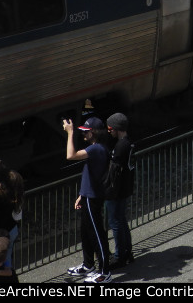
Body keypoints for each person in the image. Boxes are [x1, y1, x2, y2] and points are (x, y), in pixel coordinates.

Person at [64, 116, 111, 283]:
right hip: (87, 196)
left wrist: (70, 133)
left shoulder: (97, 149)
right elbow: (90, 175)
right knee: (86, 232)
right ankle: (88, 264)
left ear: (94, 133)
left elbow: (71, 155)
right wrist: (81, 195)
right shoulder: (95, 148)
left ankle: (105, 272)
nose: (83, 134)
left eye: (86, 132)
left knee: (97, 233)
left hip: (93, 198)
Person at [104, 113, 136, 270]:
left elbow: (114, 173)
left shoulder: (120, 147)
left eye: (110, 128)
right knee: (122, 221)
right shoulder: (129, 143)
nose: (109, 131)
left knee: (115, 223)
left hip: (116, 192)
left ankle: (119, 256)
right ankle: (127, 252)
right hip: (125, 189)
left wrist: (108, 190)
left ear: (117, 128)